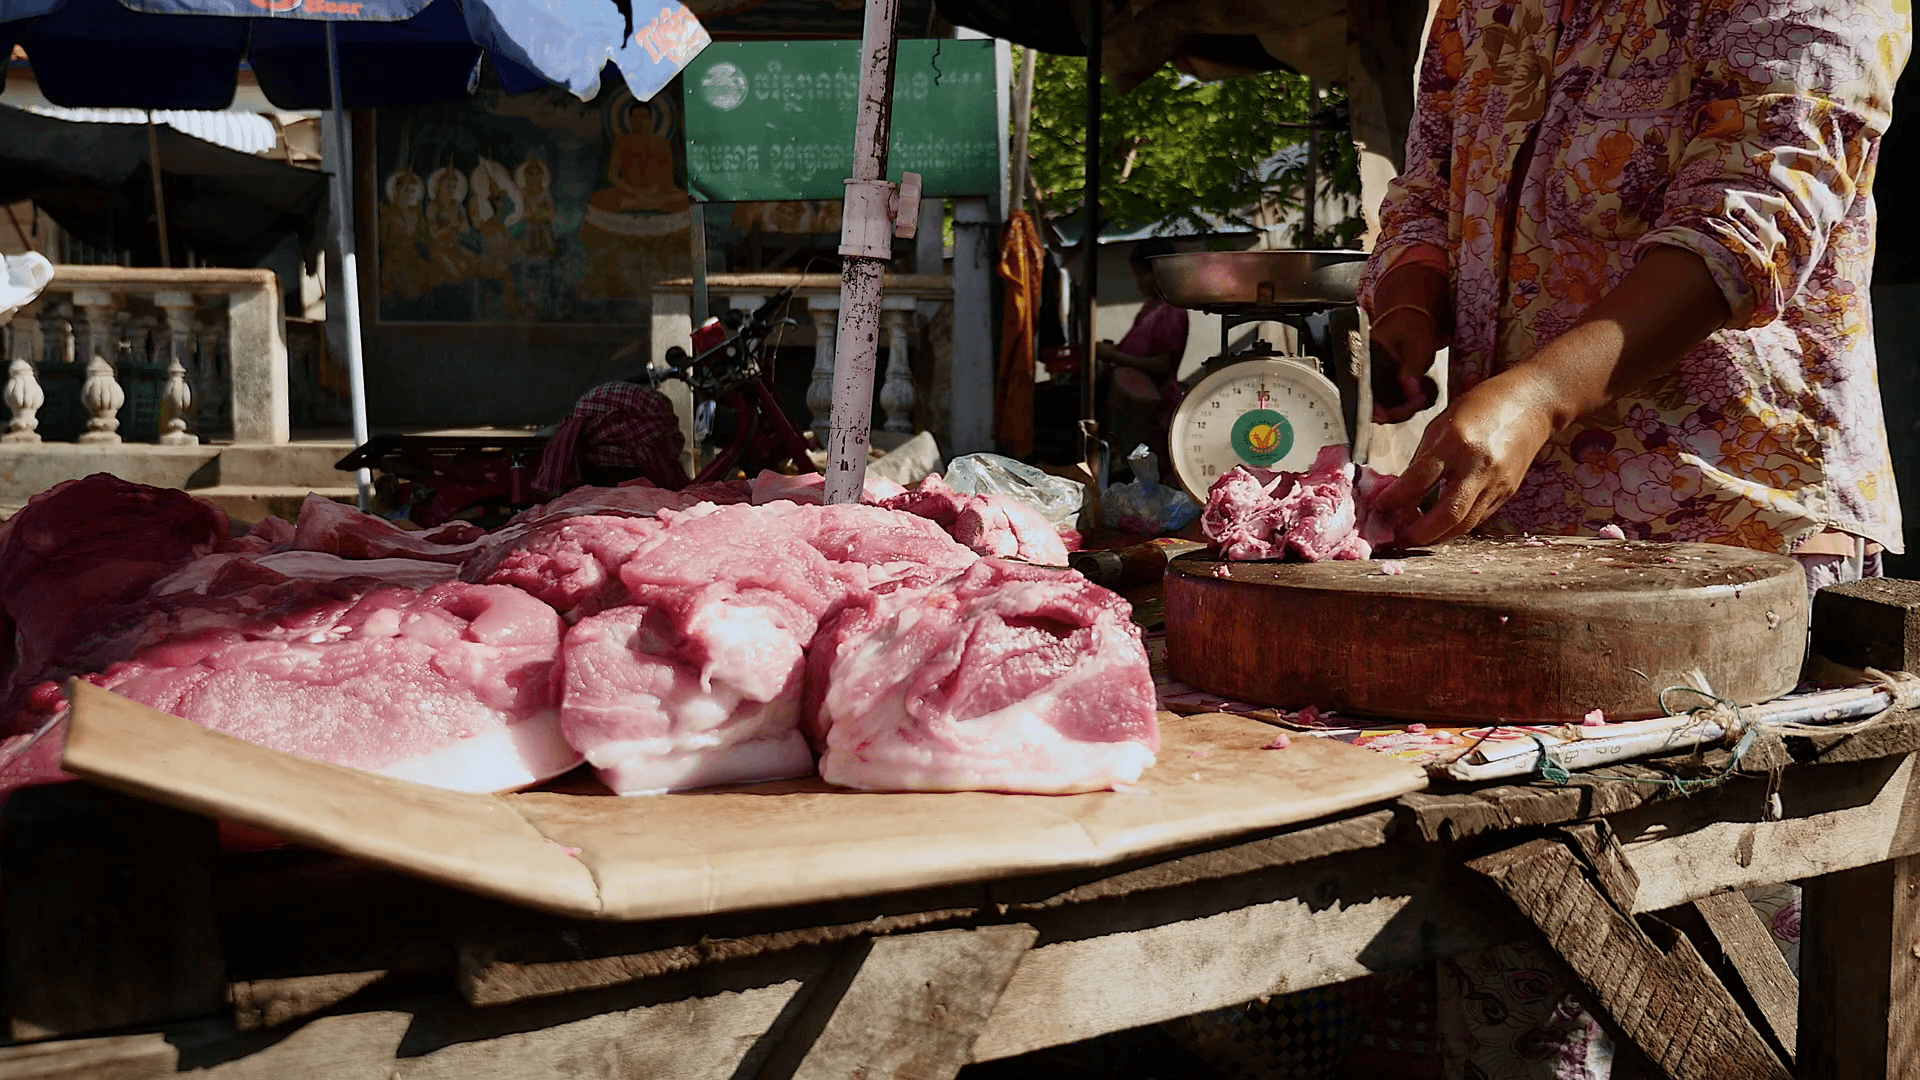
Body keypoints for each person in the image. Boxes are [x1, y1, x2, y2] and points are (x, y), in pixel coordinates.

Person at [1351, 1, 1909, 1075]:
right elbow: (1428, 176)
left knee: (1723, 977)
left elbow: (1755, 217)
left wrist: (1543, 398)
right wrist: (1409, 305)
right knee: (1525, 954)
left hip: (1740, 542)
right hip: (1513, 555)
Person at [1098, 239, 1190, 465]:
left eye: (1142, 275)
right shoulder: (1149, 309)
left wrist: (1112, 356)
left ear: (1160, 273)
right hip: (1132, 411)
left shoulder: (1171, 311)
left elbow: (1163, 365)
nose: (1138, 283)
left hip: (1155, 411)